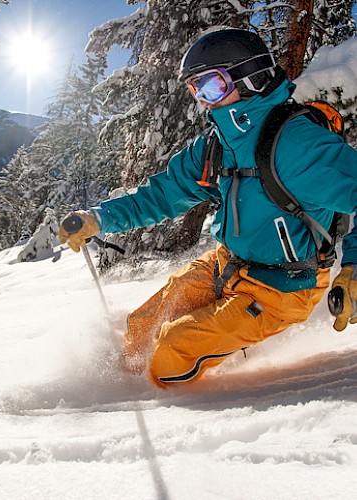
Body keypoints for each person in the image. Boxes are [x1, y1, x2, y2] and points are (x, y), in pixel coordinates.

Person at [59, 28, 357, 388]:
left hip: (283, 286)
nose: (203, 100)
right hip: (225, 264)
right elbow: (163, 194)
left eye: (211, 86)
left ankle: (170, 410)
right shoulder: (217, 146)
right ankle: (118, 390)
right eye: (195, 89)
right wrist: (100, 218)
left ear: (252, 77)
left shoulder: (297, 145)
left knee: (172, 352)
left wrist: (353, 267)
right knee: (142, 328)